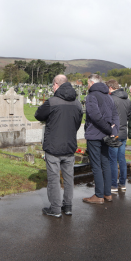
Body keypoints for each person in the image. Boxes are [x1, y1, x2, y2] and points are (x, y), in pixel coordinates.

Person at [35, 75, 83, 217]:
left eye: (53, 85)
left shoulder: (52, 101)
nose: (52, 88)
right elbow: (78, 122)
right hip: (69, 145)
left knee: (54, 178)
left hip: (54, 146)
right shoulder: (77, 103)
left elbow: (38, 114)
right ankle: (67, 207)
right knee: (69, 177)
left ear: (56, 85)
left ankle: (55, 209)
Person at [83, 74, 119, 204]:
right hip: (105, 135)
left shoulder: (92, 96)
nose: (87, 85)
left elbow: (95, 116)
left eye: (87, 83)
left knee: (96, 165)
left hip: (94, 135)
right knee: (105, 163)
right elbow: (115, 116)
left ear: (92, 83)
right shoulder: (108, 97)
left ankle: (98, 195)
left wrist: (109, 130)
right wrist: (112, 131)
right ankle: (107, 193)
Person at [105, 79, 131, 192]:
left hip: (114, 132)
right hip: (124, 132)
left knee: (112, 159)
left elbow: (108, 116)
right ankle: (122, 183)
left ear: (110, 87)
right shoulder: (128, 100)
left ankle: (113, 185)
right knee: (122, 158)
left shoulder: (111, 99)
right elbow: (129, 116)